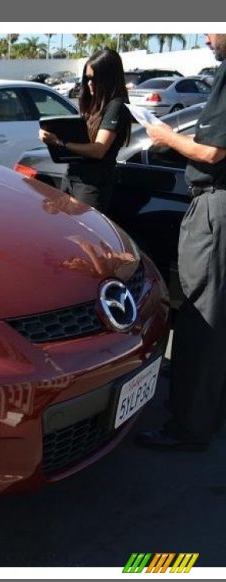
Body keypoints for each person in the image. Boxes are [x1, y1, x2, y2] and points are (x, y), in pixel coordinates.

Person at [135, 33, 226, 452]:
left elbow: (210, 152)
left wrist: (164, 137)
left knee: (199, 315)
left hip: (214, 208)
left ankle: (189, 426)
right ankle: (207, 410)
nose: (207, 36)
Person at [38, 49, 131, 215]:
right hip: (73, 177)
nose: (90, 84)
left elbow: (98, 150)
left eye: (95, 79)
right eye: (87, 78)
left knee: (84, 239)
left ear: (109, 78)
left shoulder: (116, 106)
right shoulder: (95, 104)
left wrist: (59, 142)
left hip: (92, 185)